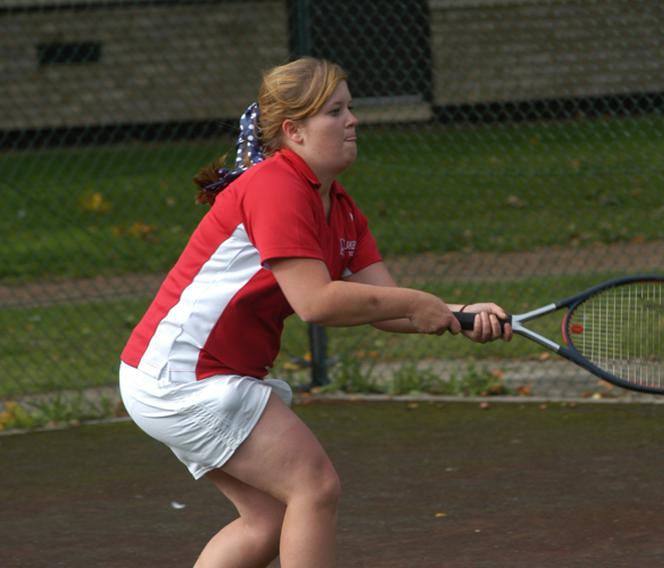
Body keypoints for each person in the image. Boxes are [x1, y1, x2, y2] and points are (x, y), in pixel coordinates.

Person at [118, 57, 512, 567]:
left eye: (350, 108)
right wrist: (420, 304)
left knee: (269, 522)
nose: (352, 121)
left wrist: (458, 314)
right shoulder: (275, 187)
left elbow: (386, 308)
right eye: (334, 111)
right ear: (294, 131)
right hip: (183, 375)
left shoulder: (340, 207)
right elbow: (316, 302)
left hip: (176, 374)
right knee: (314, 486)